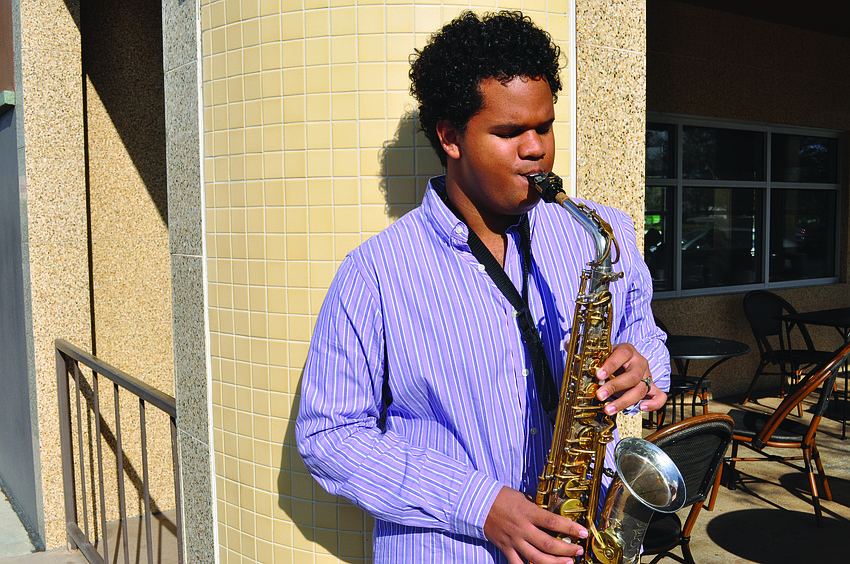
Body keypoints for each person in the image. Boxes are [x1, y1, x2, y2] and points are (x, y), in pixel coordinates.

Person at [296, 10, 669, 564]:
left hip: (586, 536)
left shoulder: (600, 234)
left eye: (543, 126)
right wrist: (479, 503)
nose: (536, 149)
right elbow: (328, 438)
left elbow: (645, 334)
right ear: (450, 136)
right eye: (509, 132)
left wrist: (644, 365)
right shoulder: (375, 273)